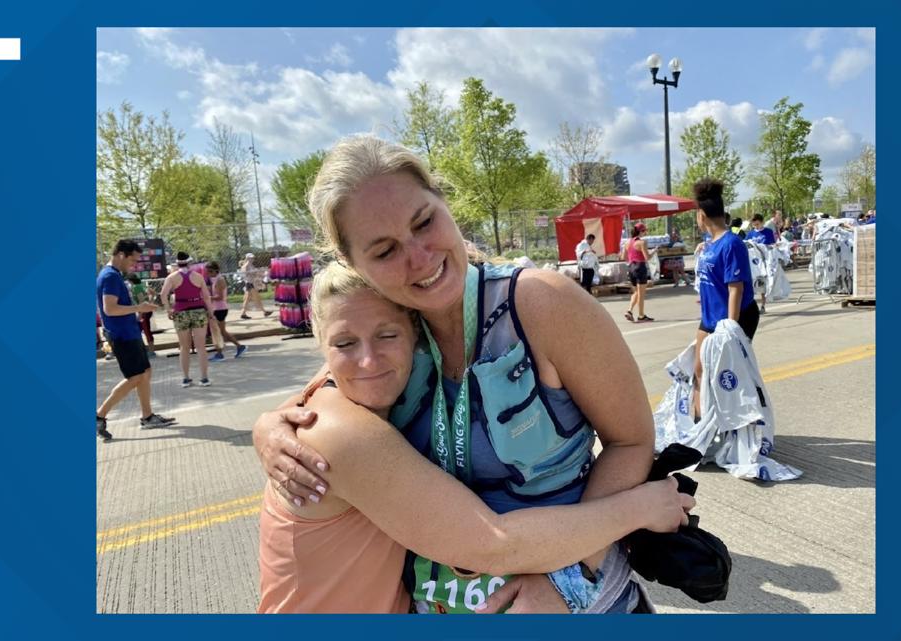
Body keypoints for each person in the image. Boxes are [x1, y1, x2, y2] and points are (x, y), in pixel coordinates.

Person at [254, 135, 664, 614]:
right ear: (353, 264)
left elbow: (632, 441)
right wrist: (269, 428)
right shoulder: (393, 333)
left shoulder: (539, 304)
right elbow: (328, 396)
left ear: (444, 202)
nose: (420, 258)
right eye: (384, 251)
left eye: (424, 222)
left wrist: (572, 579)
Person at [258, 261, 694, 613]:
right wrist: (639, 507)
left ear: (415, 334)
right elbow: (492, 544)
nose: (368, 359)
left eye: (387, 335)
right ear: (320, 344)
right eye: (344, 343)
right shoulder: (335, 430)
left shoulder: (370, 398)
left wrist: (267, 421)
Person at [691, 178, 759, 420]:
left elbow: (735, 290)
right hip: (710, 317)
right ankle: (698, 428)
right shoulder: (710, 244)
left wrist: (731, 329)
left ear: (702, 214)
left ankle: (738, 423)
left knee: (727, 374)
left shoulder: (732, 243)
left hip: (735, 317)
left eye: (696, 214)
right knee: (699, 369)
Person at [96, 240, 176, 441]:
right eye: (133, 259)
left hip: (128, 332)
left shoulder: (114, 275)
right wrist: (139, 308)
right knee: (135, 377)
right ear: (121, 255)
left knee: (145, 372)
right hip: (122, 335)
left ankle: (147, 416)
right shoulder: (110, 276)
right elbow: (110, 309)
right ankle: (99, 415)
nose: (134, 264)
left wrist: (138, 309)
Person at [160, 252, 215, 388]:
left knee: (184, 347)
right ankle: (204, 378)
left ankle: (186, 378)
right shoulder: (198, 276)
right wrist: (211, 312)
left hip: (180, 312)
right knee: (201, 347)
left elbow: (163, 294)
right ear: (189, 263)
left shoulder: (172, 277)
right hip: (198, 311)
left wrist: (168, 309)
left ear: (177, 263)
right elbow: (206, 297)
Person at [205, 261, 247, 361]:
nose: (208, 274)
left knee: (218, 332)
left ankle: (222, 353)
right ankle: (238, 347)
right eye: (207, 272)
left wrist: (208, 297)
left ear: (215, 270)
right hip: (218, 308)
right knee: (220, 331)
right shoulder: (215, 279)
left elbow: (220, 297)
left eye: (210, 271)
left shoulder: (220, 280)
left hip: (220, 308)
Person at [621, 223, 654, 322]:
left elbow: (623, 257)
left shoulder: (627, 243)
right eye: (644, 231)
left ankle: (629, 310)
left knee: (636, 292)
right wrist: (654, 252)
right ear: (640, 231)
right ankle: (641, 315)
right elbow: (647, 257)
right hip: (640, 267)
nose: (645, 233)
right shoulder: (642, 242)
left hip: (631, 267)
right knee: (641, 294)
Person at [747, 214, 777, 313]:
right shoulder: (751, 233)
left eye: (758, 224)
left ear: (762, 222)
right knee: (752, 285)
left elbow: (772, 245)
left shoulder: (768, 232)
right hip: (754, 263)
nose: (756, 226)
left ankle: (763, 306)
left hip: (764, 262)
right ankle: (750, 307)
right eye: (754, 225)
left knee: (762, 285)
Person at [126, 273, 157, 357]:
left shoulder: (136, 287)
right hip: (147, 310)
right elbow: (153, 293)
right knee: (140, 330)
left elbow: (141, 301)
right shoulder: (142, 284)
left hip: (144, 312)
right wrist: (150, 302)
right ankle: (144, 350)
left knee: (146, 330)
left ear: (130, 281)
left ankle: (151, 351)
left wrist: (140, 314)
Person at [239, 253, 272, 320]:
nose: (252, 259)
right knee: (256, 298)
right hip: (249, 284)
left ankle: (243, 313)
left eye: (253, 258)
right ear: (247, 258)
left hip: (251, 283)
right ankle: (264, 312)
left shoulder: (251, 265)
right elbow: (245, 275)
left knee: (248, 299)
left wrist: (258, 274)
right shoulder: (245, 266)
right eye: (250, 258)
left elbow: (255, 274)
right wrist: (252, 274)